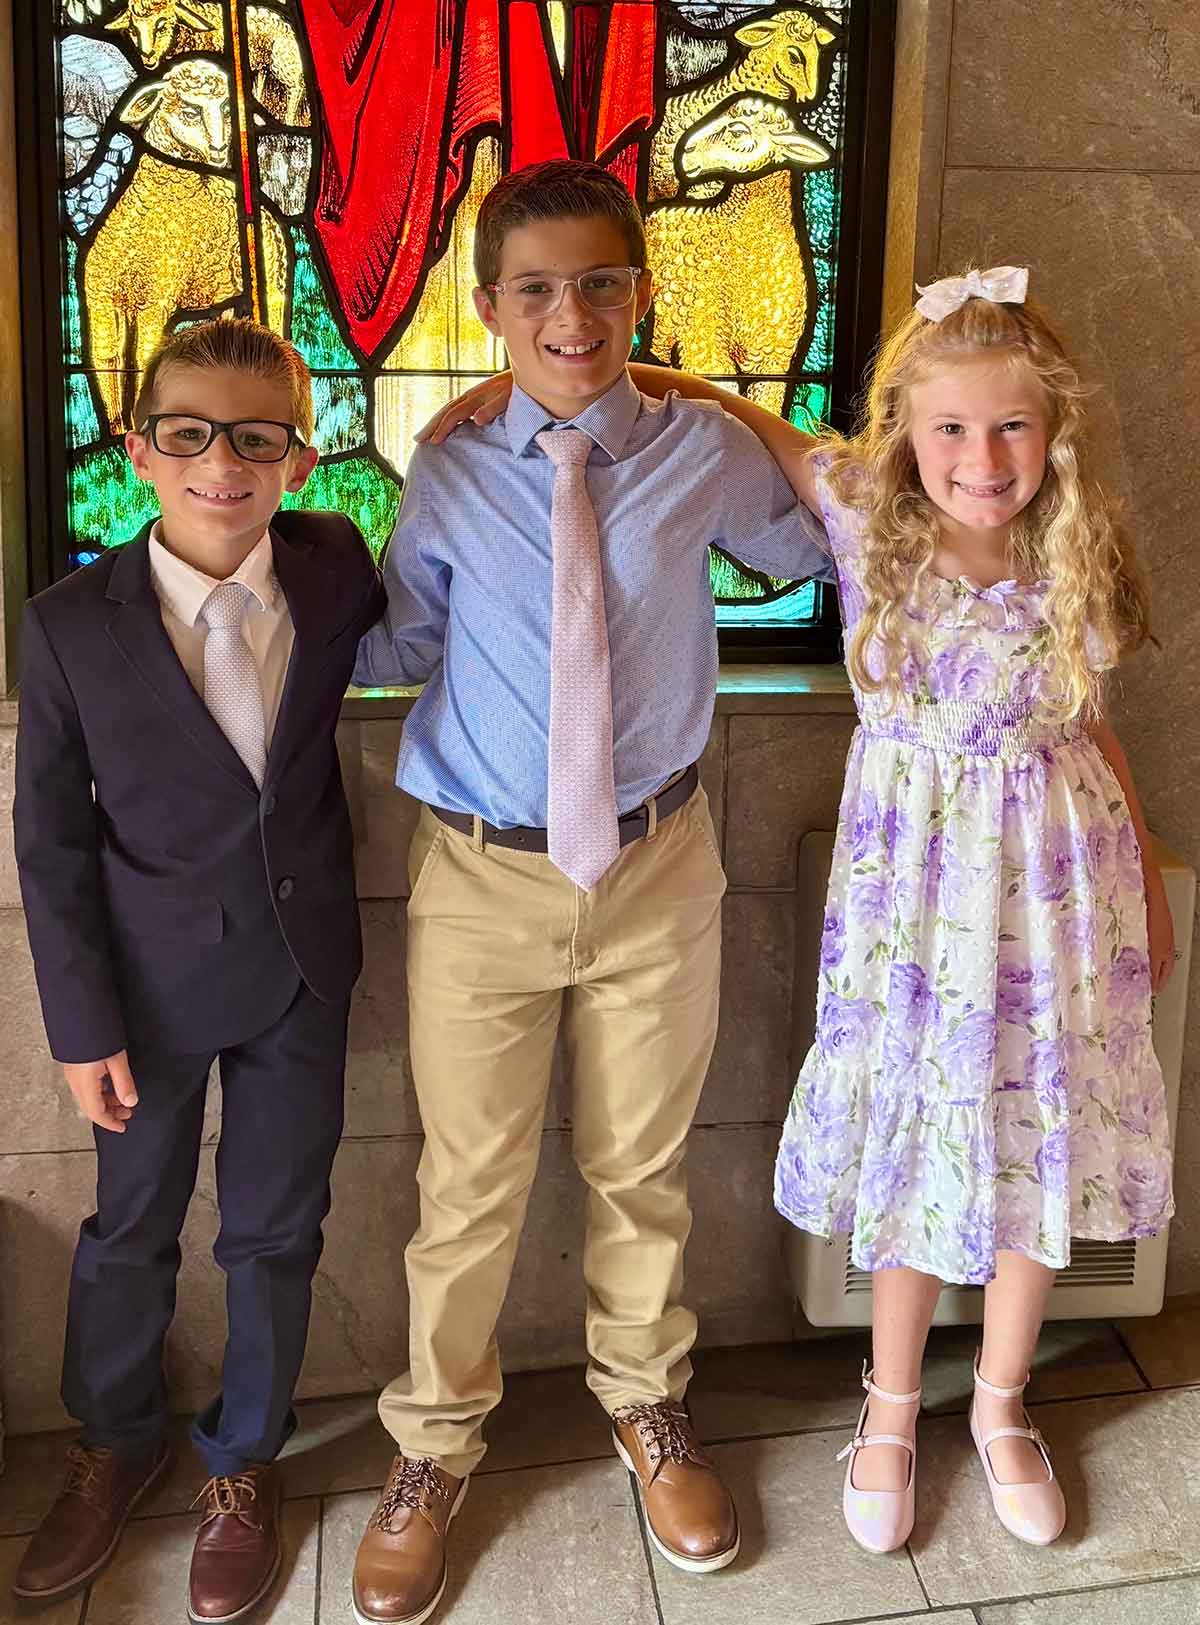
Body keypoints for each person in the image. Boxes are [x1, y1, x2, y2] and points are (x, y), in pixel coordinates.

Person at [349, 157, 833, 1625]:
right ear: (489, 305)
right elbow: (394, 641)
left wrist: (727, 399)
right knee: (469, 1184)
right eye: (539, 288)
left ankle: (649, 1401)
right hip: (484, 870)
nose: (573, 313)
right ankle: (433, 1447)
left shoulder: (699, 453)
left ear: (641, 294)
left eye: (604, 283)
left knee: (643, 1162)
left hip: (660, 856)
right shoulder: (444, 468)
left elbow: (832, 528)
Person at [13, 319, 384, 1622]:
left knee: (277, 1229)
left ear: (297, 453)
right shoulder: (69, 625)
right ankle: (116, 1440)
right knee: (129, 1228)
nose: (222, 462)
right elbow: (50, 836)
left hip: (298, 969)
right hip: (146, 989)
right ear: (139, 450)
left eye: (255, 436)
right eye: (190, 433)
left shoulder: (335, 569)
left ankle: (244, 1458)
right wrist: (78, 1021)